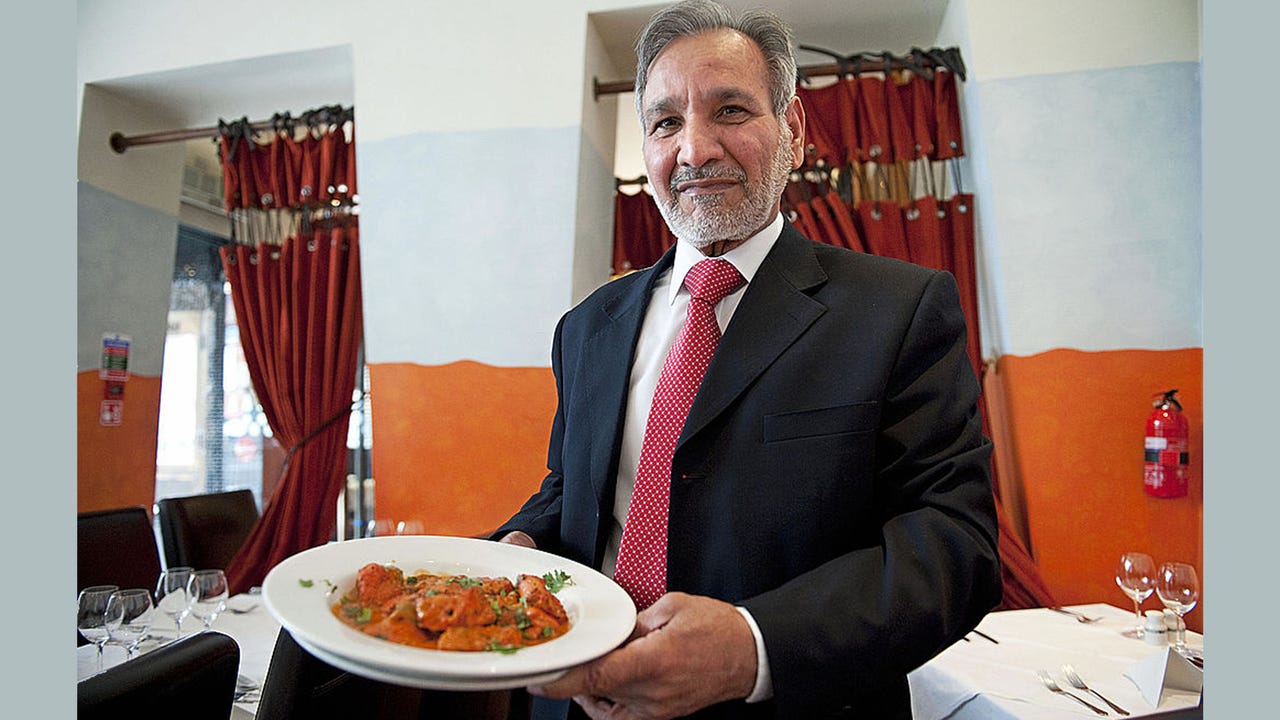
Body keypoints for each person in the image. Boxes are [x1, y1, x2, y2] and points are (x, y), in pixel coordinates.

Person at [493, 1, 1001, 718]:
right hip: (580, 699)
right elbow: (572, 490)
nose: (695, 150)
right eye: (666, 123)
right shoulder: (586, 328)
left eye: (729, 111)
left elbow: (953, 544)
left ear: (793, 131)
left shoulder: (899, 311)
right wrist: (515, 546)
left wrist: (752, 646)